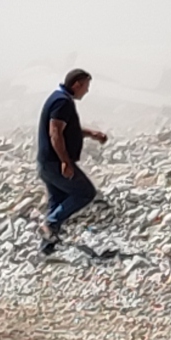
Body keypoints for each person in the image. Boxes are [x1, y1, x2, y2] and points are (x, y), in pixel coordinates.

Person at [38, 68, 100, 255]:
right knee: (85, 192)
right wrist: (65, 161)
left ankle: (47, 249)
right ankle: (50, 224)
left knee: (57, 201)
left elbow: (67, 130)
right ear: (77, 84)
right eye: (86, 86)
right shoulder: (62, 102)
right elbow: (55, 132)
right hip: (55, 162)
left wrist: (91, 134)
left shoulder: (59, 99)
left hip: (47, 162)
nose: (87, 91)